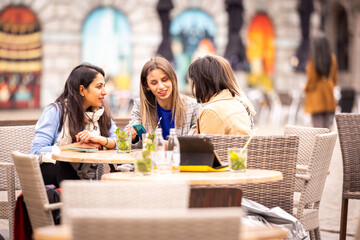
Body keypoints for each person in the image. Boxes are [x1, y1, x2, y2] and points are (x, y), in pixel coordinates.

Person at [30, 63, 117, 187]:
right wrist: (77, 147)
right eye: (99, 87)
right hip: (49, 180)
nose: (105, 92)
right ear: (82, 90)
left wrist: (100, 139)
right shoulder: (55, 111)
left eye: (104, 86)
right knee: (62, 166)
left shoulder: (100, 114)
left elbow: (120, 141)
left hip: (81, 179)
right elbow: (36, 151)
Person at [129, 56, 200, 144]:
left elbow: (194, 143)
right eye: (154, 83)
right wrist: (132, 136)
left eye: (165, 80)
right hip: (151, 157)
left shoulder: (193, 106)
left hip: (181, 157)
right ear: (147, 86)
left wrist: (164, 145)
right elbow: (126, 139)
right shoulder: (140, 105)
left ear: (173, 79)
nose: (161, 87)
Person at [188, 55, 253, 135]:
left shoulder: (211, 111)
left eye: (194, 81)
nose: (194, 86)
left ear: (202, 82)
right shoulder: (236, 102)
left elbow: (206, 146)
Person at [304, 32, 338, 129]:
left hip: (316, 97)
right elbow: (335, 79)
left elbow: (311, 81)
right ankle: (327, 144)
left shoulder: (313, 60)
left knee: (317, 129)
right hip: (329, 96)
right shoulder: (333, 59)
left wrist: (305, 88)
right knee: (327, 127)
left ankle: (320, 145)